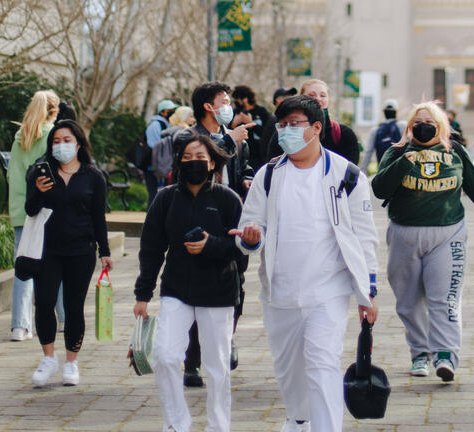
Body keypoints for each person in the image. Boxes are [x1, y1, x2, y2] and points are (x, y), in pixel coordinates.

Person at [232, 95, 379, 432]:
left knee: (322, 364)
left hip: (327, 292)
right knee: (290, 371)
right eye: (282, 125)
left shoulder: (347, 176)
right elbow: (249, 228)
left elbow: (364, 237)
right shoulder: (269, 176)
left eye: (294, 124)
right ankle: (298, 418)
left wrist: (368, 291)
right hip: (280, 292)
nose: (286, 131)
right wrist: (251, 239)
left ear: (316, 128)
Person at [371, 101, 474, 383]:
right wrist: (404, 163)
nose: (422, 126)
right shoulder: (397, 152)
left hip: (447, 234)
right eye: (417, 122)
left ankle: (445, 354)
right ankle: (419, 354)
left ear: (441, 127)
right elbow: (379, 189)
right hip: (405, 234)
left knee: (445, 297)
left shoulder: (455, 152)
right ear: (409, 127)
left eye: (429, 122)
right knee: (408, 301)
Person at [134, 134, 243, 432]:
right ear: (178, 161)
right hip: (176, 290)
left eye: (201, 157)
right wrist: (143, 294)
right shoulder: (165, 198)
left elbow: (241, 250)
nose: (194, 162)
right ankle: (176, 423)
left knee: (217, 366)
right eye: (187, 157)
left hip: (218, 291)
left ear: (211, 163)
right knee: (167, 356)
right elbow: (151, 248)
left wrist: (212, 247)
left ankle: (219, 426)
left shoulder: (227, 199)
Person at [25, 119, 113, 387]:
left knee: (74, 307)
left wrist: (105, 251)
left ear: (78, 144)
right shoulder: (39, 174)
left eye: (66, 140)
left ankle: (71, 363)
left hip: (81, 250)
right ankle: (48, 358)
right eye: (56, 141)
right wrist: (39, 193)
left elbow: (99, 217)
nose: (61, 145)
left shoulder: (94, 177)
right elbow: (29, 210)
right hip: (47, 250)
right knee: (44, 302)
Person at [185, 82, 255, 386]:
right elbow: (201, 165)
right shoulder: (188, 138)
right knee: (196, 291)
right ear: (208, 107)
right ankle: (193, 360)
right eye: (224, 101)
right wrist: (229, 140)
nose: (229, 106)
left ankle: (228, 339)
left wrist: (248, 180)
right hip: (200, 219)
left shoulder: (237, 138)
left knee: (236, 286)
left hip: (232, 219)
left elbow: (244, 168)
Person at [7, 89, 62, 342]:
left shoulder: (21, 136)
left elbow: (12, 174)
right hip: (47, 207)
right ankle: (62, 317)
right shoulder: (53, 135)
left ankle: (20, 325)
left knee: (23, 266)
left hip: (21, 209)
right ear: (54, 111)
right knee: (57, 262)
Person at [231, 85, 272, 171]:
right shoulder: (236, 113)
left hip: (259, 155)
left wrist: (250, 123)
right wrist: (234, 124)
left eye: (237, 99)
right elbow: (229, 133)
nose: (236, 102)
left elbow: (267, 133)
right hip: (242, 154)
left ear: (245, 99)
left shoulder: (261, 111)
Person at [145, 100, 177, 208]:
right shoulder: (155, 124)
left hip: (163, 166)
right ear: (163, 112)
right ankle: (151, 222)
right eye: (170, 110)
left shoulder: (166, 125)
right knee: (154, 195)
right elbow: (154, 146)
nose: (173, 112)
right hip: (153, 167)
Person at [359, 99, 407, 172]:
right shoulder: (403, 126)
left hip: (382, 171)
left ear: (384, 112)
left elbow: (368, 152)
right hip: (399, 170)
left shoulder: (376, 130)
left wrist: (363, 171)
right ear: (396, 111)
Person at [261, 87, 298, 162]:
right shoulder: (275, 119)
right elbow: (266, 146)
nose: (291, 99)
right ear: (278, 100)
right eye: (287, 97)